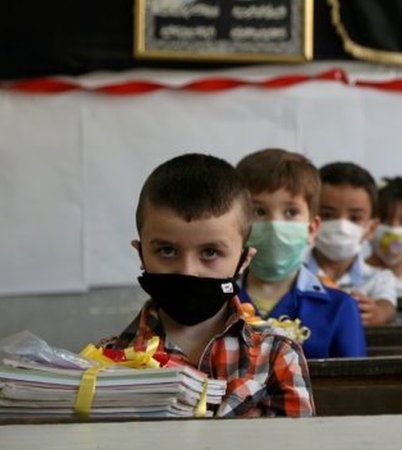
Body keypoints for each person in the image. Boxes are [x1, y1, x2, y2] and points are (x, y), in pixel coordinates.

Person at [99, 153, 314, 417]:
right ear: (141, 254)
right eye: (167, 251)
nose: (189, 271)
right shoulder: (106, 360)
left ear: (244, 260)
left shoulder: (276, 354)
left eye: (210, 252)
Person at [236, 148, 365, 358]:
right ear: (237, 224)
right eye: (259, 211)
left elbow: (356, 387)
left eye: (291, 212)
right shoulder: (218, 302)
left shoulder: (340, 307)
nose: (274, 227)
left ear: (312, 228)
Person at [306, 162, 397, 325]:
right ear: (310, 220)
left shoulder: (378, 278)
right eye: (327, 215)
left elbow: (387, 306)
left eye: (354, 218)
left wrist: (378, 312)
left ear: (371, 228)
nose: (341, 226)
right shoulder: (293, 272)